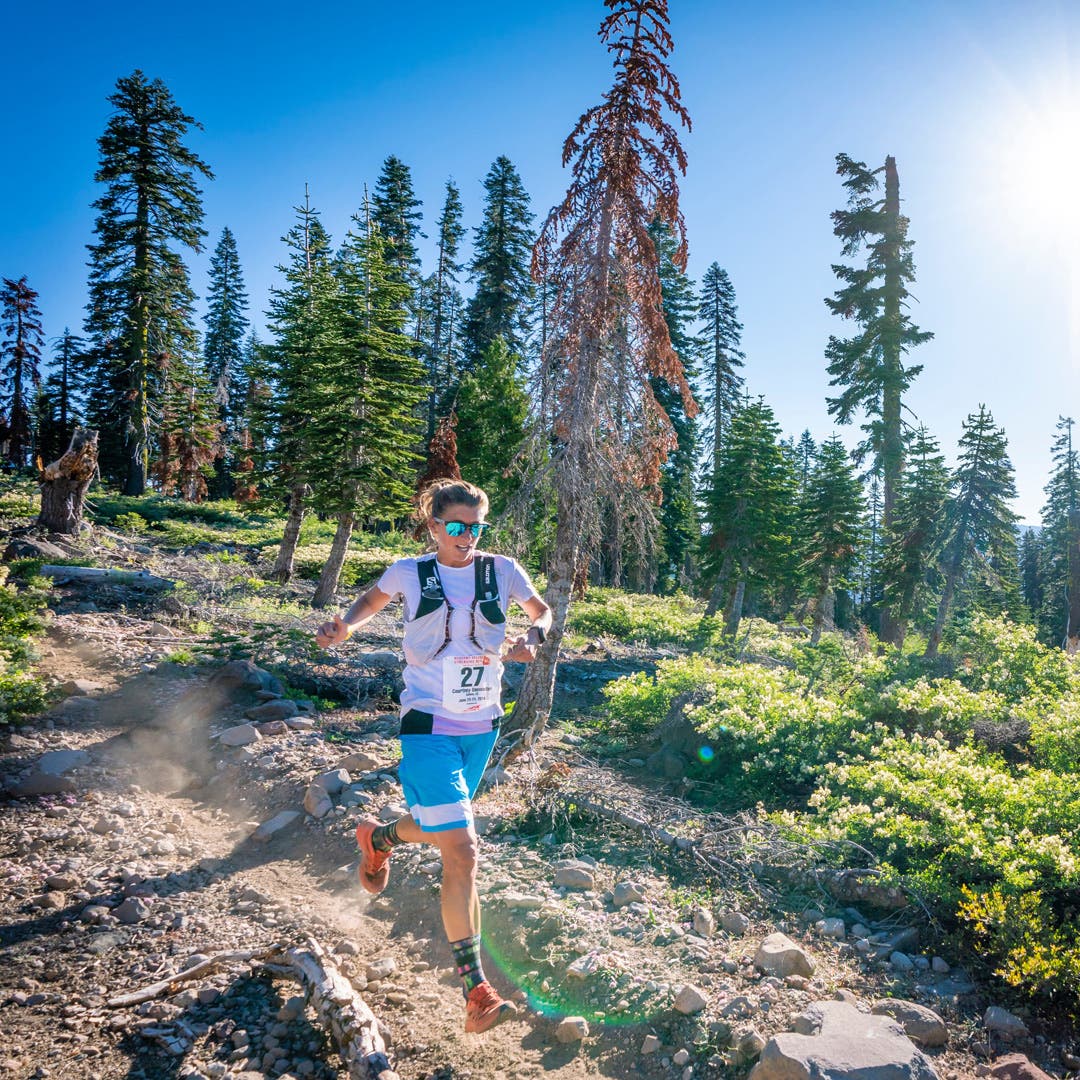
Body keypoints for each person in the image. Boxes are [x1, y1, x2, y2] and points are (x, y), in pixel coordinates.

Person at [315, 479, 551, 1034]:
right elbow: (370, 601)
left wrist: (532, 640)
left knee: (442, 827)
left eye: (475, 526)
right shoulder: (408, 571)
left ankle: (379, 840)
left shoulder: (504, 569)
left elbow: (541, 612)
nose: (466, 536)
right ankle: (476, 988)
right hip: (426, 724)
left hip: (482, 725)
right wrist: (344, 625)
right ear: (433, 527)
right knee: (463, 849)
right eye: (455, 526)